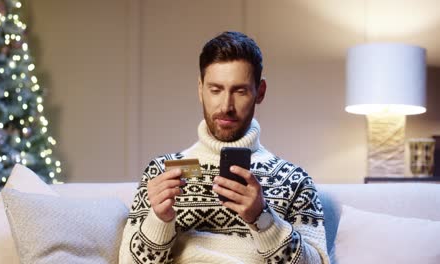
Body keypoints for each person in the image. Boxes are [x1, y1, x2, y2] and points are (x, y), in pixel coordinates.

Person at [119, 31, 329, 264]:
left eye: (240, 91)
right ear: (200, 89)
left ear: (260, 92)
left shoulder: (294, 181)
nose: (226, 106)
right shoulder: (162, 171)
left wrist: (263, 219)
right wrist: (159, 221)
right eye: (215, 90)